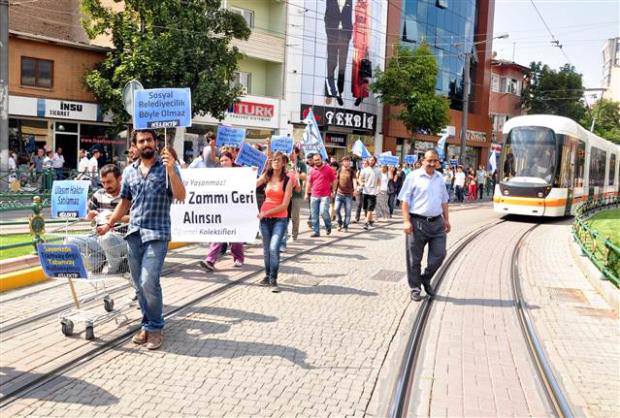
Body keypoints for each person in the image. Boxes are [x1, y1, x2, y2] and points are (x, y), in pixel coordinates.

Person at [101, 129, 186, 350]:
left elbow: (181, 196)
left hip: (157, 233)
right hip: (134, 234)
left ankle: (156, 328)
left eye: (149, 140)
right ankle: (147, 324)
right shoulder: (129, 171)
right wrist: (109, 224)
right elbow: (125, 203)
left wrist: (171, 170)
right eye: (141, 141)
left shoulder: (168, 167)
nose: (146, 143)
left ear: (156, 142)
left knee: (149, 281)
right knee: (139, 286)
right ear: (135, 145)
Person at [399, 150, 450, 302]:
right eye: (429, 160)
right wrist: (406, 221)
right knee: (414, 259)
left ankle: (425, 278)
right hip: (417, 223)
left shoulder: (440, 178)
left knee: (440, 255)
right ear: (423, 161)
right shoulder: (413, 176)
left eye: (435, 161)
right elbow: (405, 201)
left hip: (437, 223)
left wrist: (447, 219)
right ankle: (415, 287)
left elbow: (444, 201)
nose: (432, 164)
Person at [66, 165, 130, 273]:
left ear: (119, 179)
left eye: (109, 182)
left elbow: (138, 218)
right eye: (103, 182)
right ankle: (95, 265)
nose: (106, 186)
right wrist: (89, 216)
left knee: (107, 239)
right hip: (97, 237)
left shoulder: (128, 195)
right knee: (70, 241)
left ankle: (113, 270)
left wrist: (116, 218)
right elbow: (87, 215)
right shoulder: (98, 194)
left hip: (121, 238)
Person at [200, 152, 245, 271]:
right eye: (221, 161)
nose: (223, 163)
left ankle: (238, 258)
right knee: (218, 234)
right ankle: (210, 260)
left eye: (226, 160)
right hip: (221, 209)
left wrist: (253, 172)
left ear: (232, 160)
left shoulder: (240, 172)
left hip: (236, 209)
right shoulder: (217, 174)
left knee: (235, 237)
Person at [256, 152, 294, 292]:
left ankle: (273, 278)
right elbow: (252, 185)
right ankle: (267, 276)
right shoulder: (266, 176)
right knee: (266, 250)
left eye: (278, 160)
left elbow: (284, 205)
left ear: (283, 163)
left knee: (273, 248)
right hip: (264, 220)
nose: (275, 162)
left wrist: (266, 212)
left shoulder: (288, 180)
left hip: (280, 219)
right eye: (273, 160)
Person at [306, 154, 336, 237]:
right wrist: (306, 193)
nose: (317, 161)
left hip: (325, 195)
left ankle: (328, 225)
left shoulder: (328, 169)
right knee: (314, 214)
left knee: (323, 212)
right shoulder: (312, 170)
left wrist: (333, 191)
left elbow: (334, 180)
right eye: (315, 160)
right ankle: (316, 232)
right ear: (313, 161)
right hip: (314, 195)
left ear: (321, 159)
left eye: (318, 159)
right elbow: (309, 182)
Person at [333, 154, 356, 232]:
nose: (346, 162)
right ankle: (339, 223)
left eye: (348, 161)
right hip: (339, 194)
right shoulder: (339, 170)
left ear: (350, 162)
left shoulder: (352, 171)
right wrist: (334, 190)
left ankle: (345, 226)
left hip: (348, 195)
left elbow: (354, 180)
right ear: (342, 162)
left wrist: (355, 189)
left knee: (348, 212)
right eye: (345, 161)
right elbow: (336, 180)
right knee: (336, 209)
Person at [359, 156, 381, 230]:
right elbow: (360, 178)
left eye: (373, 160)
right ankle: (371, 220)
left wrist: (378, 188)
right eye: (370, 160)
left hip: (373, 192)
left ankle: (366, 223)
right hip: (365, 191)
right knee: (366, 208)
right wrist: (361, 183)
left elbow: (379, 181)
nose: (371, 161)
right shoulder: (365, 170)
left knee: (370, 208)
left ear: (375, 161)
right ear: (368, 161)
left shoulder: (378, 170)